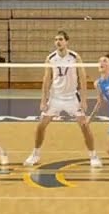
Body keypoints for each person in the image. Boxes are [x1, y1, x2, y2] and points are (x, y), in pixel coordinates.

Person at [23, 31, 101, 168]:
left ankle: (93, 156)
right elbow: (46, 79)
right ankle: (35, 154)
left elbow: (83, 78)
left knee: (84, 126)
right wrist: (43, 100)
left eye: (60, 39)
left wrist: (84, 100)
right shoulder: (51, 58)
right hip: (55, 97)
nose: (58, 42)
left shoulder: (75, 57)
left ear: (66, 41)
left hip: (72, 97)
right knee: (41, 126)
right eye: (56, 40)